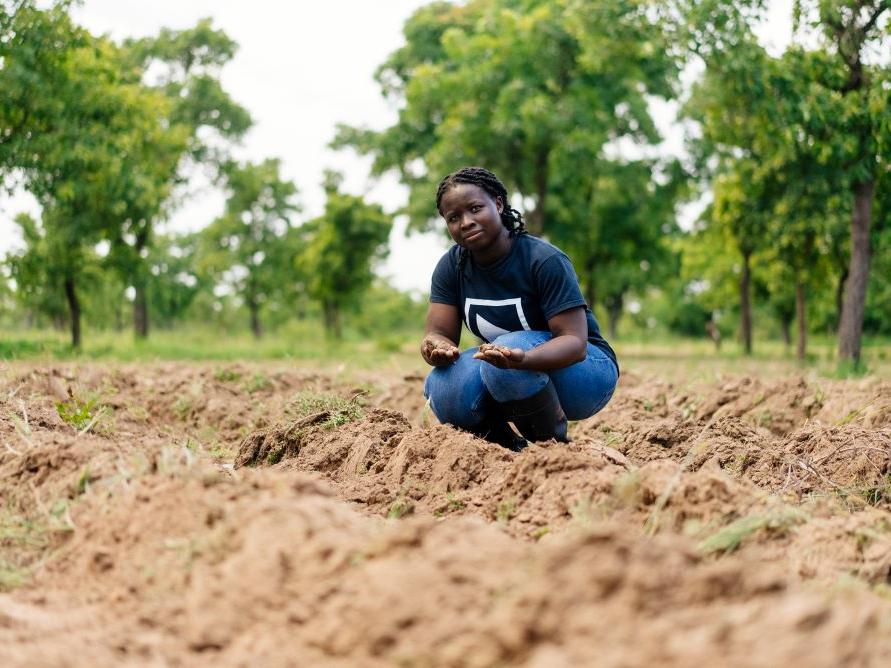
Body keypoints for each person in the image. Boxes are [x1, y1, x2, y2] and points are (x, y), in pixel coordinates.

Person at [421, 166, 619, 451]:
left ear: (498, 204)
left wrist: (522, 360)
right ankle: (507, 451)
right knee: (444, 386)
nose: (465, 222)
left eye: (475, 208)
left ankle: (552, 450)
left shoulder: (543, 259)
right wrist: (436, 347)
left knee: (505, 351)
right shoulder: (452, 266)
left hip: (586, 372)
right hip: (509, 368)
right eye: (454, 218)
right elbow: (437, 332)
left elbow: (575, 343)